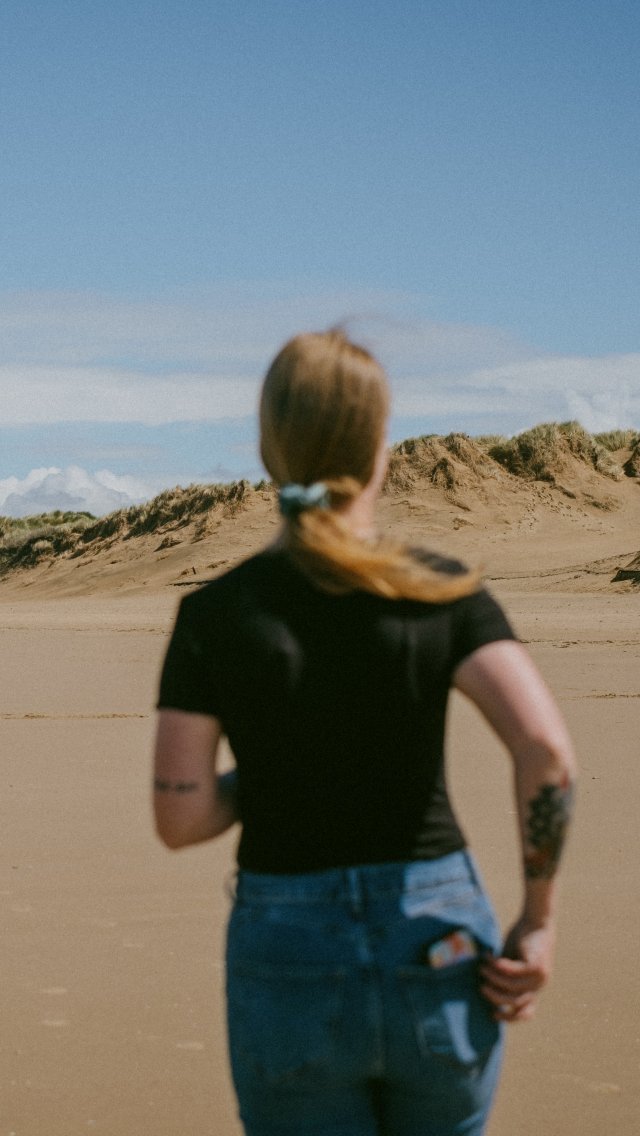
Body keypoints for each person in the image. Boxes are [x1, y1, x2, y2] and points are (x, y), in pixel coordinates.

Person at [154, 329, 577, 1136]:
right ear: (381, 448)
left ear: (268, 450)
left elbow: (181, 817)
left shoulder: (214, 615)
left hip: (288, 945)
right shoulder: (441, 591)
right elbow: (546, 749)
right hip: (436, 937)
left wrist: (272, 772)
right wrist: (539, 917)